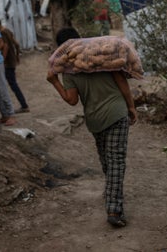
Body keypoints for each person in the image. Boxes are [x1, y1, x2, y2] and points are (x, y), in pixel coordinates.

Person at [46, 27, 138, 228]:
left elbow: (71, 100)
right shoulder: (102, 55)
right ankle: (113, 207)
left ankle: (112, 200)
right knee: (115, 161)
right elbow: (121, 81)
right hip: (116, 112)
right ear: (81, 40)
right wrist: (131, 106)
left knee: (108, 159)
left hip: (94, 119)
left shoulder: (68, 69)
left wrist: (55, 82)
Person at [0, 15, 30, 113]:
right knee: (9, 83)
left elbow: (6, 46)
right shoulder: (8, 31)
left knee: (10, 84)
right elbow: (17, 44)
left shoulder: (2, 33)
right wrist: (17, 56)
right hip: (11, 61)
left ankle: (24, 105)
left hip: (7, 63)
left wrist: (2, 61)